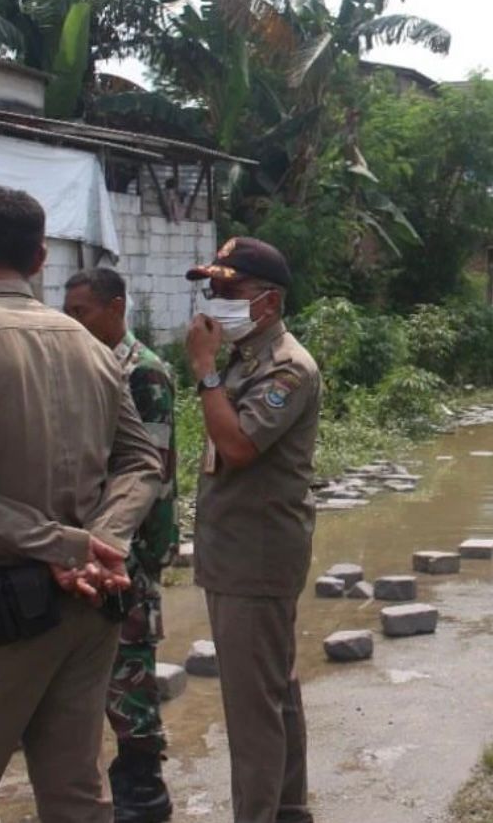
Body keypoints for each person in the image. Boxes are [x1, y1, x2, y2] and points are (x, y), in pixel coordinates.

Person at [0, 185, 162, 823]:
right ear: (40, 257)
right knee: (75, 793)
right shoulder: (96, 350)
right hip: (89, 608)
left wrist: (68, 546)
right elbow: (142, 463)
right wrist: (98, 544)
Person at [184, 236, 321, 823]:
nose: (215, 302)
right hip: (239, 549)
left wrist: (205, 372)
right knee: (274, 692)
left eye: (227, 291)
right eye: (211, 290)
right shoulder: (248, 357)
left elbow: (237, 446)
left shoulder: (287, 366)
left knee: (251, 709)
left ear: (266, 301)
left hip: (255, 557)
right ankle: (288, 808)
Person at [64, 267, 177, 823]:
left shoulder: (143, 374)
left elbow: (145, 472)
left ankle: (143, 795)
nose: (73, 322)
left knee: (131, 671)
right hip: (92, 545)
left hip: (129, 547)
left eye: (81, 311)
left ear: (116, 308)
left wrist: (122, 548)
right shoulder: (88, 365)